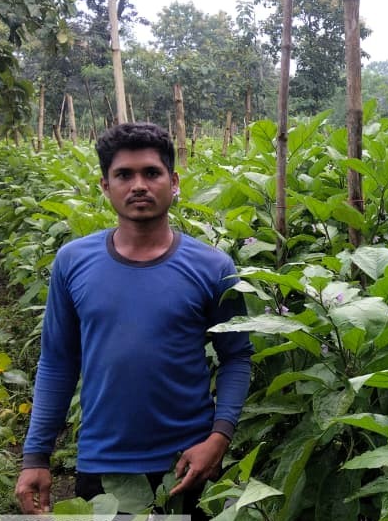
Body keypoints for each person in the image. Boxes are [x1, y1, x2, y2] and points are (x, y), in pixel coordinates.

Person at [15, 123, 253, 519]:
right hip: (103, 465)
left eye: (151, 173)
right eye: (124, 174)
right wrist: (35, 457)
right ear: (105, 186)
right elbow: (57, 361)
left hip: (189, 462)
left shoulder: (212, 267)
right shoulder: (73, 262)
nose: (138, 185)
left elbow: (237, 356)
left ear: (173, 182)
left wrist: (219, 438)